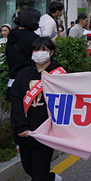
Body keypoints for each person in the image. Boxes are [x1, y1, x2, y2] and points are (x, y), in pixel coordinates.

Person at [10, 37, 64, 181]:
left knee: (39, 174)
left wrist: (52, 82)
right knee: (29, 168)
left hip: (45, 133)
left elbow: (66, 100)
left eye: (43, 50)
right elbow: (15, 100)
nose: (39, 53)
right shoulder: (24, 74)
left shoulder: (59, 74)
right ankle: (51, 178)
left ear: (51, 52)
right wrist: (20, 127)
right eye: (36, 50)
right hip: (26, 132)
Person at [5, 8, 41, 99]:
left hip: (13, 79)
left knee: (16, 110)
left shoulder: (12, 35)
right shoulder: (33, 38)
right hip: (29, 81)